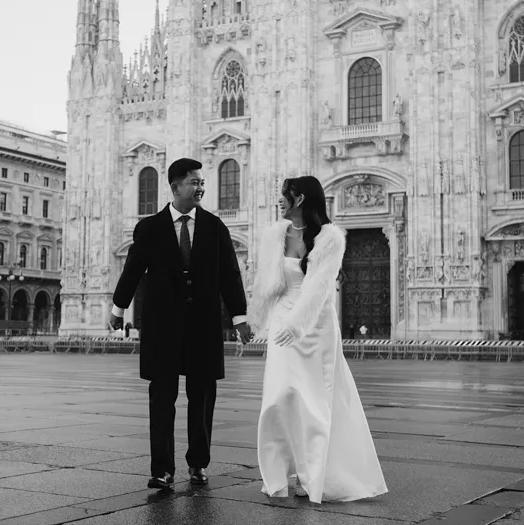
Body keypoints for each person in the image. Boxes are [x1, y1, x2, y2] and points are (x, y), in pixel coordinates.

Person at [108, 158, 251, 491]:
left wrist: (240, 317)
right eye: (194, 182)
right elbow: (132, 271)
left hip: (203, 326)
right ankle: (162, 469)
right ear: (174, 187)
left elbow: (230, 275)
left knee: (202, 399)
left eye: (202, 182)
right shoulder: (150, 228)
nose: (200, 187)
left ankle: (198, 464)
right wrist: (118, 308)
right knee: (161, 399)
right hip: (162, 328)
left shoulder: (215, 227)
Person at [247, 176, 387, 504]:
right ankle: (281, 474)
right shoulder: (273, 235)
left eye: (285, 195)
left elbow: (319, 287)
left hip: (314, 324)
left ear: (300, 199)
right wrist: (256, 317)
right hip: (282, 318)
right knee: (278, 398)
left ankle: (313, 476)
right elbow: (266, 282)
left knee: (313, 402)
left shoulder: (330, 238)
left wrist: (298, 324)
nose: (280, 200)